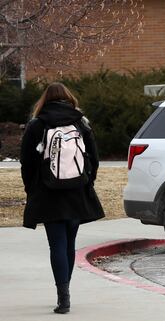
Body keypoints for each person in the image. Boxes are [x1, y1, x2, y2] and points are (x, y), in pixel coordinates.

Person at [20, 82, 104, 314]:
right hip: (76, 191)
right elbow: (94, 158)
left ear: (44, 100)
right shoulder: (80, 122)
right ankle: (65, 292)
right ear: (68, 98)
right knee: (69, 244)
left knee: (56, 244)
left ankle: (63, 297)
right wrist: (88, 182)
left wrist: (31, 189)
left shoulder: (37, 124)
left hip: (48, 192)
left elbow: (26, 161)